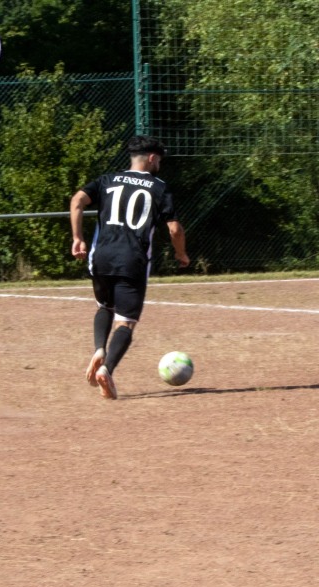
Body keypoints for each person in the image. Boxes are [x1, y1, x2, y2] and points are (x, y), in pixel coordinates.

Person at [70, 135, 190, 399]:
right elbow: (174, 228)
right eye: (159, 159)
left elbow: (77, 200)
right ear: (151, 158)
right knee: (125, 323)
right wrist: (181, 254)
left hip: (100, 256)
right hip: (132, 259)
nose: (160, 163)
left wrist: (78, 238)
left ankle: (99, 348)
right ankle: (108, 369)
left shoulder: (107, 180)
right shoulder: (159, 187)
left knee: (105, 306)